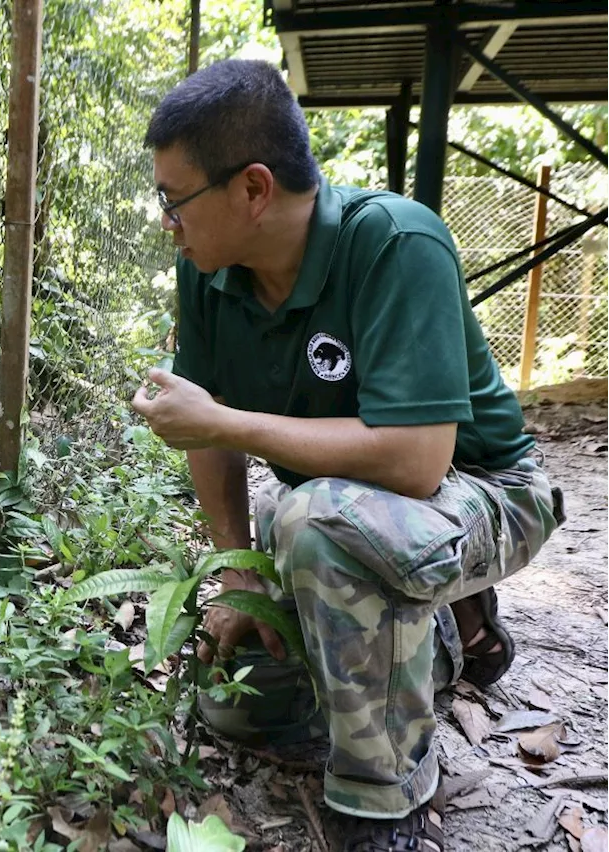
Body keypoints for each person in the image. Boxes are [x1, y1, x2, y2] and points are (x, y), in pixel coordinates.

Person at [130, 59, 563, 851]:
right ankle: (443, 633)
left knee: (312, 522)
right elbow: (207, 437)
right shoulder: (210, 273)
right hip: (361, 506)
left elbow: (418, 464)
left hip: (490, 492)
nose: (168, 221)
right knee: (240, 704)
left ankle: (386, 798)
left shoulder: (397, 244)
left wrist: (230, 421)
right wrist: (236, 569)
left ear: (253, 189)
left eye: (175, 198)